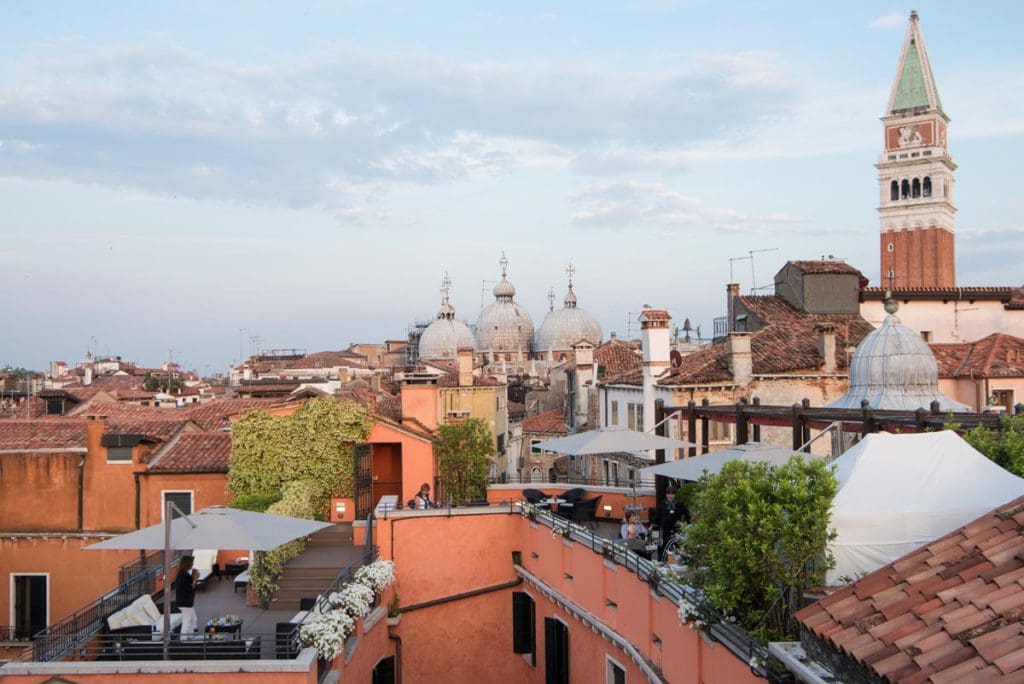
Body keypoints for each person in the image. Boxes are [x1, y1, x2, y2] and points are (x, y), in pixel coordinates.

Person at [652, 484, 690, 552]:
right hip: (663, 530)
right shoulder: (662, 504)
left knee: (675, 548)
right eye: (668, 494)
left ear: (675, 495)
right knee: (662, 547)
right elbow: (656, 516)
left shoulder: (679, 504)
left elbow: (688, 514)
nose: (670, 496)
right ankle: (661, 561)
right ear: (666, 495)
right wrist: (653, 526)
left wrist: (683, 523)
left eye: (672, 494)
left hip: (675, 529)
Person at [174, 555, 199, 639]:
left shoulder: (184, 573)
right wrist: (195, 578)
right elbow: (190, 588)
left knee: (193, 620)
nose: (192, 564)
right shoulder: (183, 575)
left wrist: (193, 576)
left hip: (186, 602)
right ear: (187, 564)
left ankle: (190, 637)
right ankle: (183, 640)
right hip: (185, 602)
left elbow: (190, 585)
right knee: (187, 622)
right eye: (192, 563)